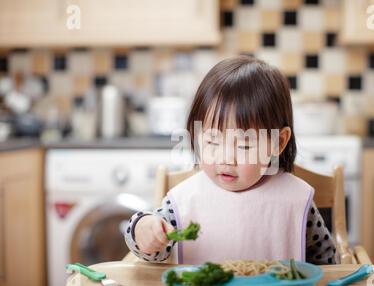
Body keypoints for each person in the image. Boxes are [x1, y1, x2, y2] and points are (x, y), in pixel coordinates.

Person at [124, 56, 338, 265]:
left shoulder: (297, 201)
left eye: (244, 145)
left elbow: (328, 265)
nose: (226, 159)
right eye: (212, 141)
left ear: (278, 142)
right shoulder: (185, 200)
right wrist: (142, 229)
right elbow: (154, 252)